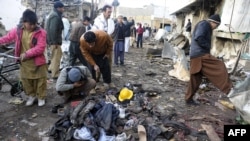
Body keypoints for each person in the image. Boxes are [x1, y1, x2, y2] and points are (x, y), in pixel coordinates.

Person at [0, 9, 47, 106]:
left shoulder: (41, 32)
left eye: (34, 24)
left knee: (40, 80)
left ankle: (41, 97)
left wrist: (27, 53)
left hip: (37, 61)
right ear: (24, 22)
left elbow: (40, 47)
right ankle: (31, 96)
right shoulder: (17, 30)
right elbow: (7, 38)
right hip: (24, 62)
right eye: (30, 24)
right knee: (26, 80)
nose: (32, 26)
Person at [185, 14, 233, 105]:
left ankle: (188, 99)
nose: (215, 28)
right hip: (200, 55)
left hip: (196, 56)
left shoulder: (203, 25)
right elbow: (199, 37)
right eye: (217, 25)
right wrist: (208, 47)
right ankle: (229, 90)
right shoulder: (205, 24)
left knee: (195, 79)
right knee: (220, 66)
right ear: (213, 22)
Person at [45, 1, 65, 81]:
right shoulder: (55, 16)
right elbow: (53, 30)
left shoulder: (53, 14)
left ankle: (51, 69)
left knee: (54, 56)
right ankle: (55, 74)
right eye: (62, 8)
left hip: (52, 41)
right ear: (58, 8)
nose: (63, 9)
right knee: (57, 57)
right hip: (55, 42)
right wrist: (55, 42)